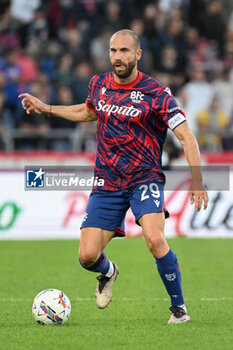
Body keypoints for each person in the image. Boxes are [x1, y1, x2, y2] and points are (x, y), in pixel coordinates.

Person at [19, 29, 209, 324]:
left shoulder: (156, 93)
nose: (117, 57)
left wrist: (196, 180)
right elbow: (87, 112)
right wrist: (47, 108)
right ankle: (108, 272)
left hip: (144, 178)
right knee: (87, 256)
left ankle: (178, 309)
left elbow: (186, 136)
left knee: (155, 239)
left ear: (137, 54)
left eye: (123, 51)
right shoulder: (99, 84)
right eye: (113, 51)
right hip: (106, 182)